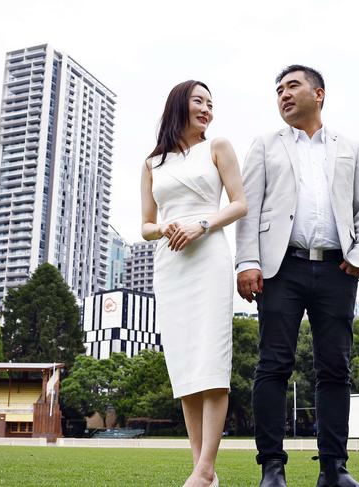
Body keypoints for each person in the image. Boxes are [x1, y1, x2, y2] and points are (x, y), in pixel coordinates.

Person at [235, 65, 359, 487]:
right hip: (281, 268)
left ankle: (334, 469)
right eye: (278, 90)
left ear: (319, 93)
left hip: (338, 269)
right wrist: (247, 262)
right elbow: (250, 208)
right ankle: (272, 469)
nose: (283, 94)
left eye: (292, 86)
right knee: (273, 364)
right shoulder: (264, 145)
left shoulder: (350, 147)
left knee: (335, 368)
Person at [141, 80, 248, 487]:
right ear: (178, 106)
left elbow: (239, 202)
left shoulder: (218, 147)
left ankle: (205, 469)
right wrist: (162, 228)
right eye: (198, 101)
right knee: (186, 367)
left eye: (211, 103)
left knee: (212, 363)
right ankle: (202, 470)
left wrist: (202, 224)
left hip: (209, 257)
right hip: (171, 264)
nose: (207, 109)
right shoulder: (152, 163)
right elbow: (146, 224)